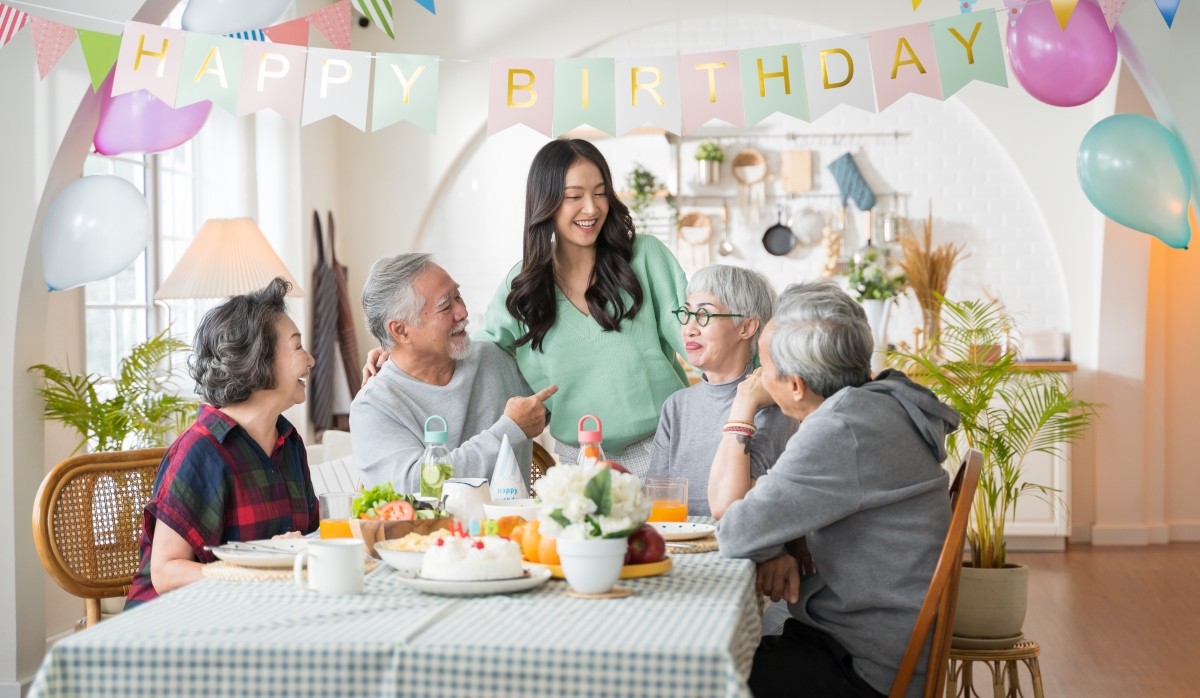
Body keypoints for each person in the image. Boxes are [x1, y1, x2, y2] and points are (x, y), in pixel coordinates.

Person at [711, 281, 960, 698]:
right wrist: (778, 546)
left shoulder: (842, 429)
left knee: (698, 676)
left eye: (765, 369)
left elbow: (736, 531)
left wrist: (744, 404)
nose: (759, 378)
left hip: (863, 666)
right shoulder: (877, 403)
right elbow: (777, 514)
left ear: (795, 386)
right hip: (874, 641)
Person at [478, 138, 690, 478]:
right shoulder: (523, 285)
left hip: (668, 451)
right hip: (581, 464)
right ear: (545, 202)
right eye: (574, 196)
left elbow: (700, 337)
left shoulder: (646, 257)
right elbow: (479, 352)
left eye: (600, 192)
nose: (591, 208)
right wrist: (398, 363)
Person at [126, 278, 319, 608]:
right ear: (259, 361)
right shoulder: (201, 451)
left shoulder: (289, 442)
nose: (311, 360)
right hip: (175, 628)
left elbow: (305, 540)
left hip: (259, 615)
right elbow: (166, 573)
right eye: (298, 346)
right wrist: (255, 566)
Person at [350, 253, 556, 491]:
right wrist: (509, 430)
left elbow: (562, 392)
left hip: (514, 527)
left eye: (459, 296)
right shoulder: (374, 406)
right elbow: (414, 485)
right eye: (446, 306)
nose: (462, 312)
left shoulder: (493, 358)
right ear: (400, 330)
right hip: (429, 529)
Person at [647, 264, 796, 516]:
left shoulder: (773, 406)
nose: (689, 328)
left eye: (704, 316)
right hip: (678, 547)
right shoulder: (676, 406)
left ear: (747, 328)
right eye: (686, 314)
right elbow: (655, 498)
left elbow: (741, 508)